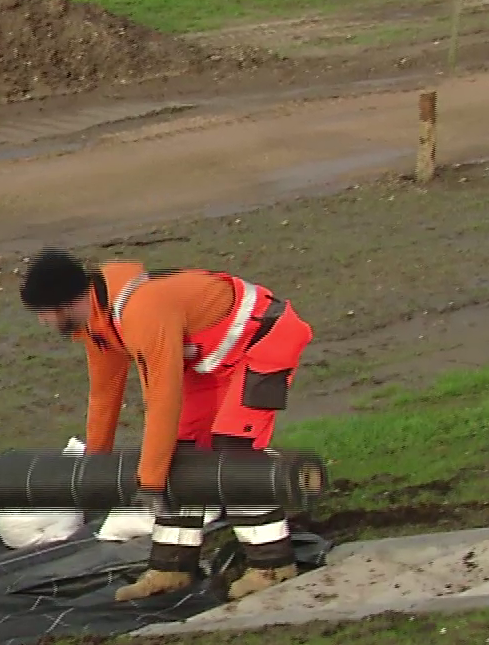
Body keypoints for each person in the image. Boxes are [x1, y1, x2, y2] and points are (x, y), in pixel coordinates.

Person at [19, 247, 314, 602]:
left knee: (234, 454)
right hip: (213, 361)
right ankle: (172, 568)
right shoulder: (98, 325)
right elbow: (104, 395)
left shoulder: (142, 310)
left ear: (62, 304)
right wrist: (93, 469)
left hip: (263, 344)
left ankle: (272, 566)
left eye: (41, 313)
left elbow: (162, 397)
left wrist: (152, 481)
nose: (42, 322)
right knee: (181, 451)